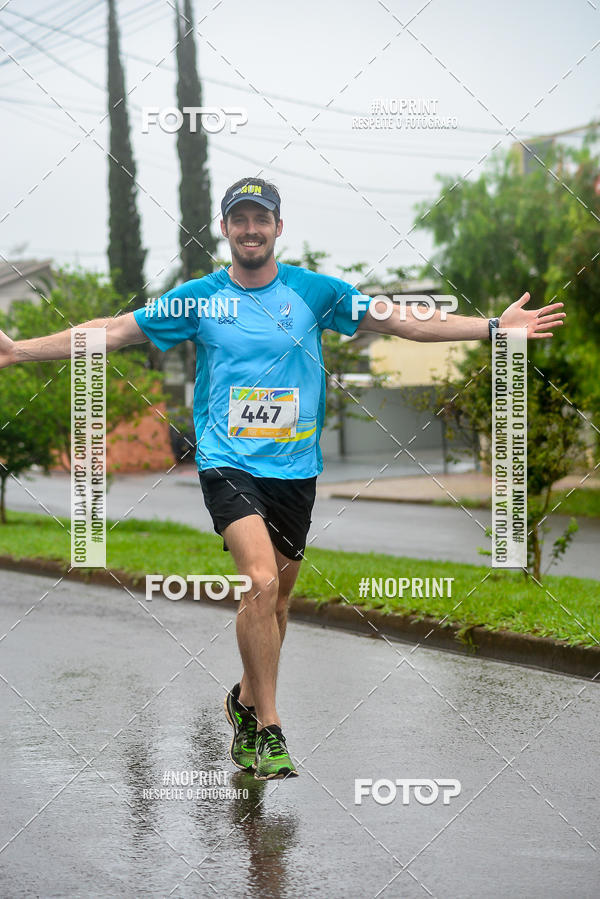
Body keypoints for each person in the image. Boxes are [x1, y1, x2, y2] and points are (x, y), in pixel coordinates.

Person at [0, 176, 566, 779]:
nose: (250, 229)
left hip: (296, 468)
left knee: (281, 598)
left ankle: (244, 701)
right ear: (224, 229)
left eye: (260, 218)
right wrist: (15, 351)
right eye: (239, 219)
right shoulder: (199, 299)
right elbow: (113, 331)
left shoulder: (315, 292)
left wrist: (494, 329)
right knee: (261, 583)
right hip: (226, 460)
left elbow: (404, 321)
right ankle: (268, 727)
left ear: (277, 227)